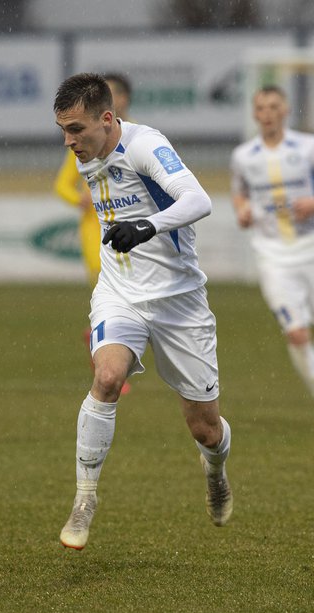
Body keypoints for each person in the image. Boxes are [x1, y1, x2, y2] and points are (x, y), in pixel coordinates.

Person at [53, 73, 233, 551]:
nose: (69, 142)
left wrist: (147, 226)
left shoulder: (145, 145)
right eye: (63, 131)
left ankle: (215, 470)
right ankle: (85, 498)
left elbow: (200, 200)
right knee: (107, 378)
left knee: (205, 428)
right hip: (120, 292)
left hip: (180, 303)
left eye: (76, 130)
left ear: (107, 119)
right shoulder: (87, 152)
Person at [230, 85, 314, 434]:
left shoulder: (310, 147)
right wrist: (243, 213)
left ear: (285, 111)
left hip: (313, 250)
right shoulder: (243, 156)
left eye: (273, 107)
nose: (267, 113)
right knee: (296, 334)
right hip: (272, 255)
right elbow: (240, 195)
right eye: (261, 107)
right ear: (255, 114)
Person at [53, 73, 132, 395]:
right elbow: (61, 185)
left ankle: (105, 348)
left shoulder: (137, 138)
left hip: (133, 234)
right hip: (95, 232)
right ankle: (110, 369)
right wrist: (80, 198)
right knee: (112, 295)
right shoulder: (84, 139)